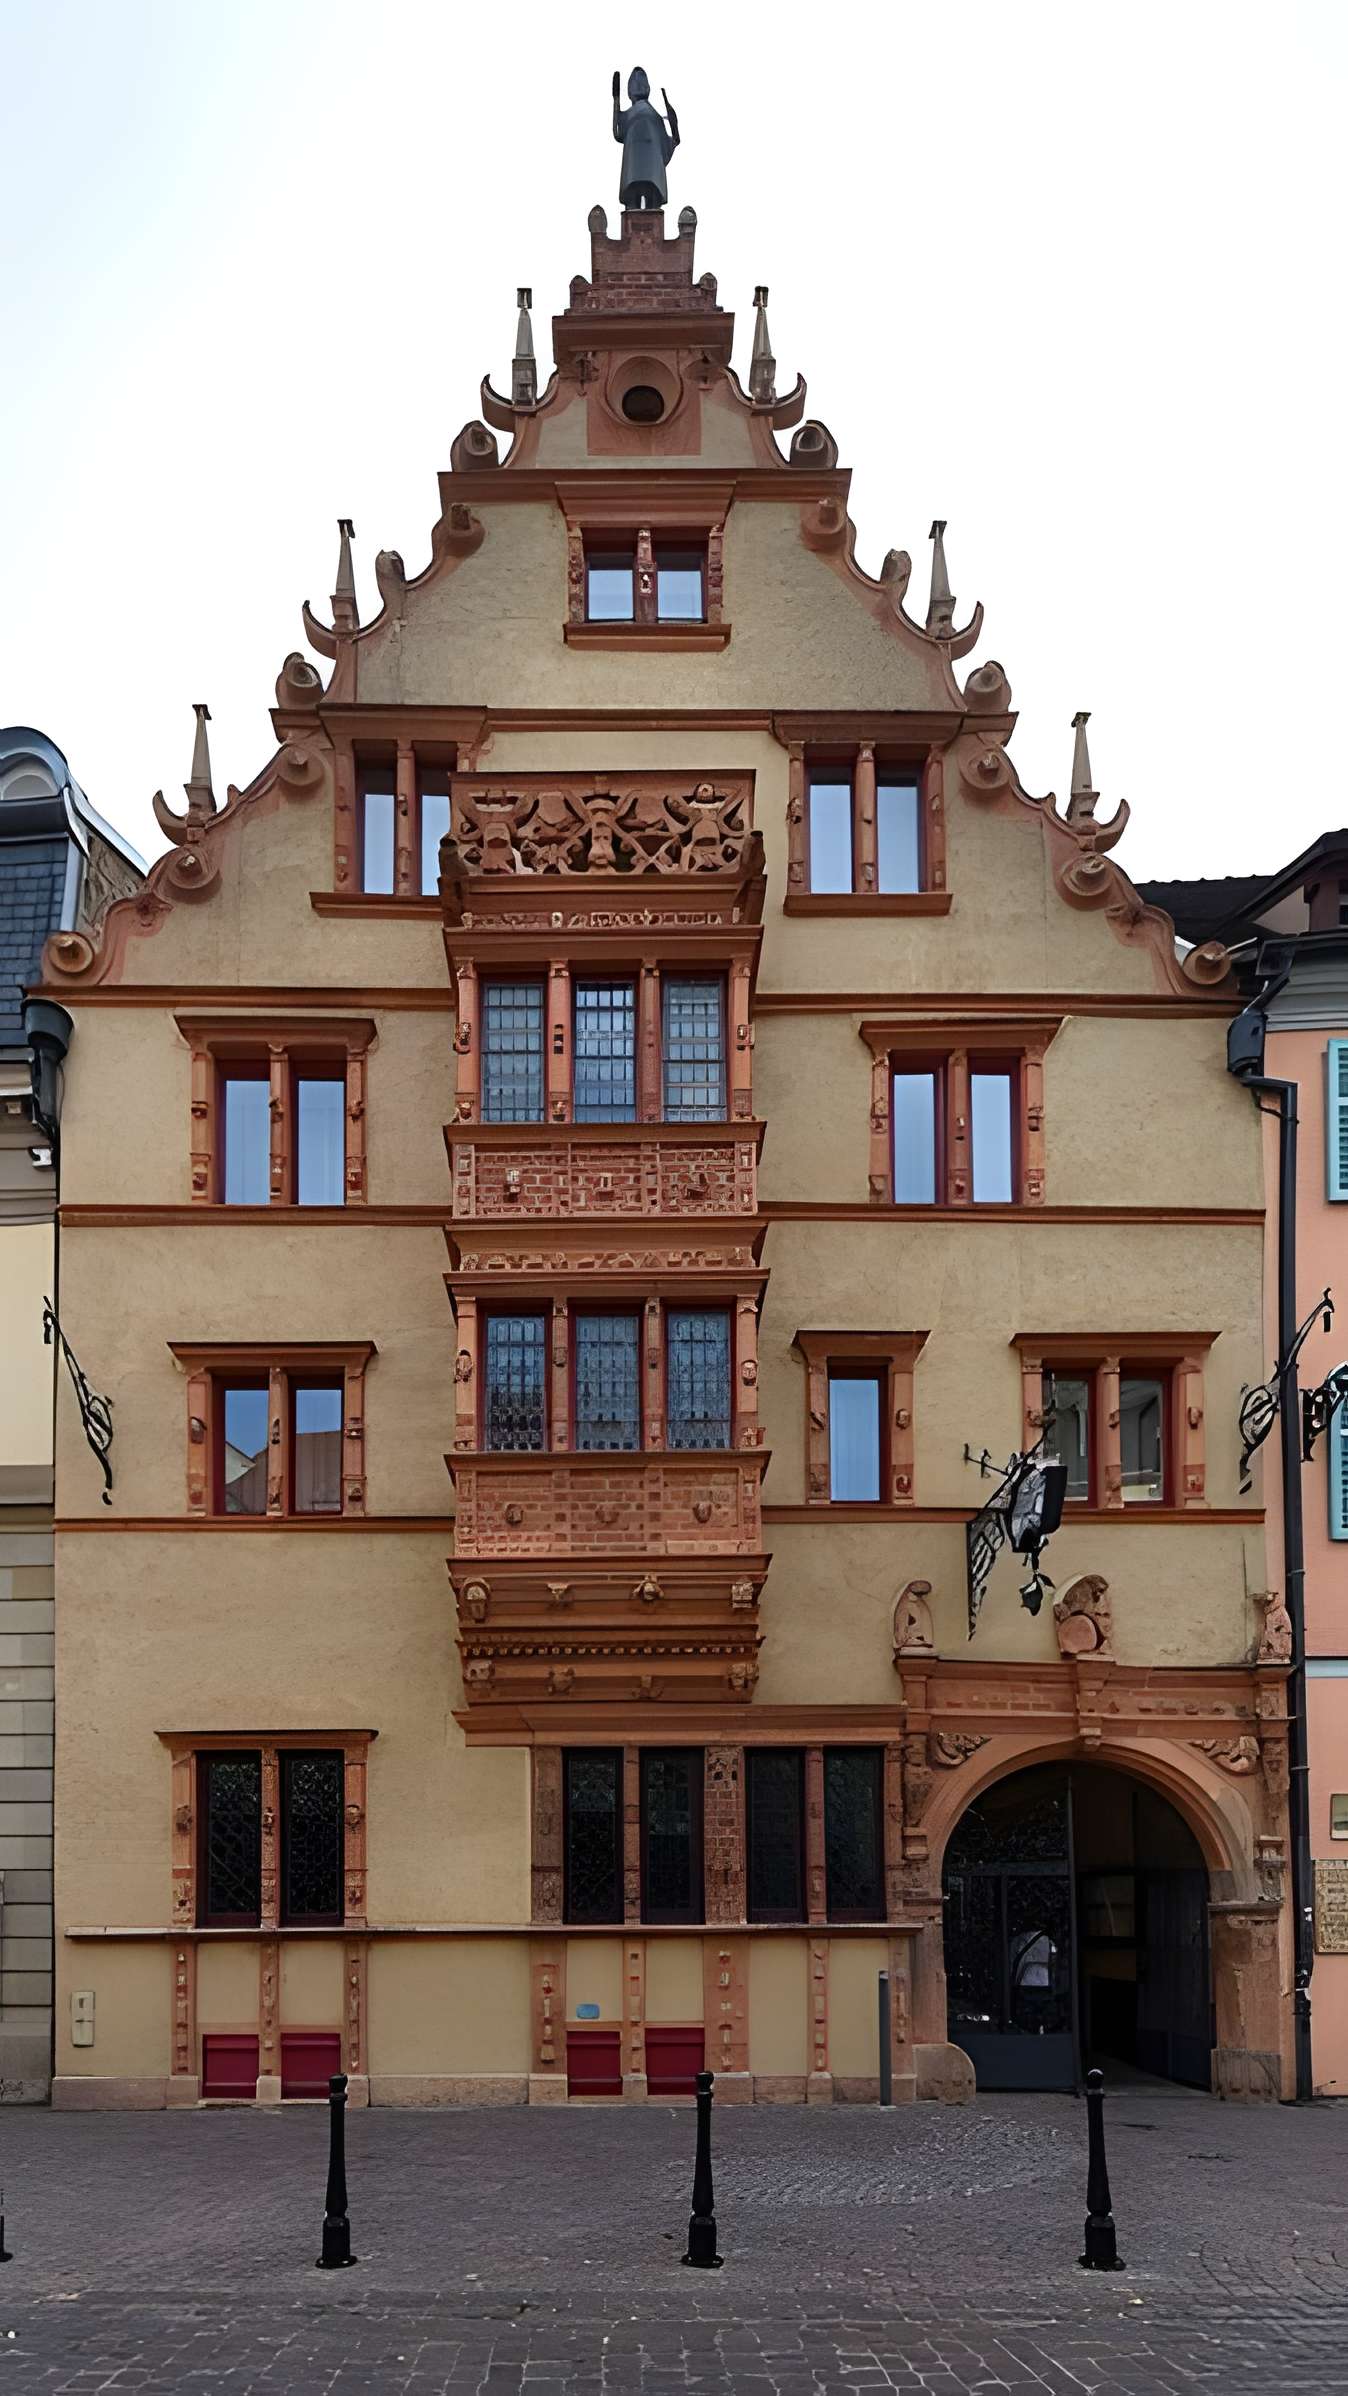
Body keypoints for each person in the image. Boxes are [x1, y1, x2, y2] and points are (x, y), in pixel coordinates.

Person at [612, 68, 680, 211]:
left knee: (632, 209)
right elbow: (669, 144)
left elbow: (618, 134)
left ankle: (635, 226)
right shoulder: (655, 117)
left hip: (632, 177)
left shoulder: (629, 115)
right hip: (654, 178)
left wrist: (616, 102)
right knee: (653, 208)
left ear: (630, 92)